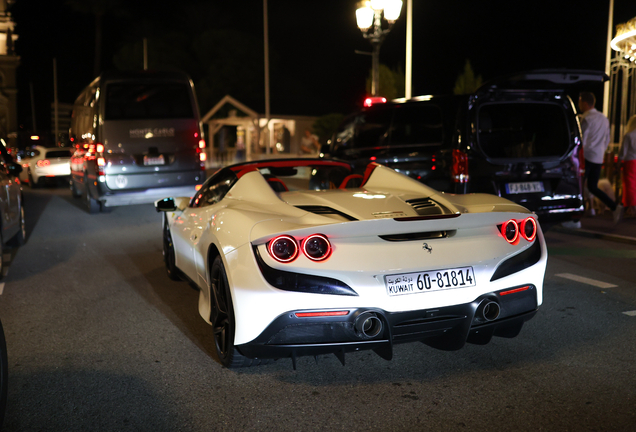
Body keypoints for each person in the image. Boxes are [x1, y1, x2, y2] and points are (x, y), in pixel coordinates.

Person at [578, 91, 622, 224]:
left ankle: (575, 215)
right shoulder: (604, 118)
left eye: (580, 102)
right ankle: (614, 207)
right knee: (592, 186)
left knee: (579, 185)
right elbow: (607, 138)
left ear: (585, 103)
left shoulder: (585, 118)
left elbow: (582, 139)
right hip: (598, 156)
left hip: (586, 156)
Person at [619, 115, 636, 217]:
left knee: (629, 186)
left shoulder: (629, 135)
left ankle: (631, 208)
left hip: (630, 161)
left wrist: (618, 162)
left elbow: (622, 151)